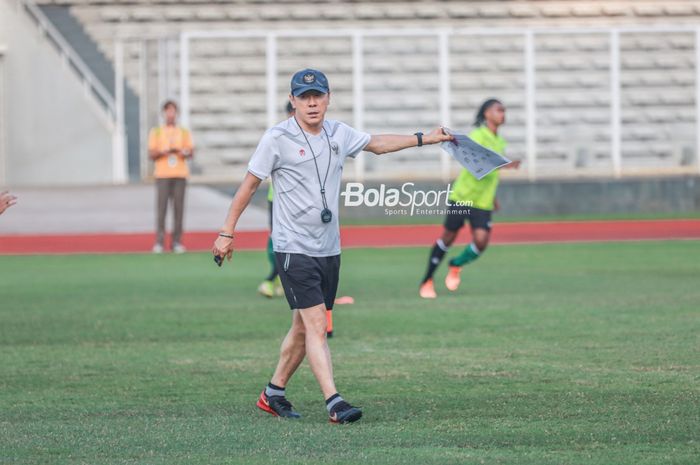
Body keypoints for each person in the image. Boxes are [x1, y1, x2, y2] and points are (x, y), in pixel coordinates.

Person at [212, 68, 453, 423]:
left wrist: (425, 138)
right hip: (293, 248)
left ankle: (272, 393)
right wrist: (227, 231)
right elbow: (249, 186)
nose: (312, 103)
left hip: (328, 248)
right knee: (316, 325)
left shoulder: (338, 133)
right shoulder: (276, 138)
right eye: (304, 97)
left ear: (328, 98)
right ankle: (334, 402)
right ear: (292, 101)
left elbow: (378, 144)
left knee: (300, 326)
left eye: (318, 96)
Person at [419, 98, 520, 299]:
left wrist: (494, 197)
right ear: (487, 114)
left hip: (483, 201)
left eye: (504, 110)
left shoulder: (499, 141)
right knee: (448, 237)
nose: (503, 114)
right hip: (463, 196)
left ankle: (456, 265)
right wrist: (504, 165)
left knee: (481, 241)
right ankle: (427, 281)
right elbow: (477, 162)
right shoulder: (478, 135)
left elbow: (491, 173)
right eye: (499, 110)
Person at [257, 102, 295, 299]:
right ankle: (271, 279)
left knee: (293, 241)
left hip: (298, 201)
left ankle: (280, 281)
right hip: (278, 198)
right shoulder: (279, 136)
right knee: (277, 240)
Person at [148, 100, 194, 254]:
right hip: (162, 174)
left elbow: (191, 152)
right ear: (164, 113)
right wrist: (164, 152)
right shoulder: (157, 132)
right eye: (168, 111)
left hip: (180, 174)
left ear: (177, 114)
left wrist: (182, 152)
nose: (170, 114)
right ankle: (159, 242)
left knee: (179, 209)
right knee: (161, 209)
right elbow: (151, 154)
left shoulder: (183, 132)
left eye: (173, 111)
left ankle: (176, 242)